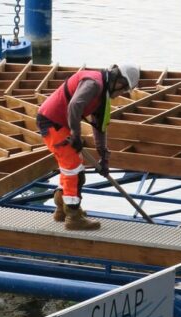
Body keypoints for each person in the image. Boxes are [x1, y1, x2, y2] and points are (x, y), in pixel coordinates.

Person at [36, 63, 140, 230]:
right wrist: (76, 135)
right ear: (119, 81)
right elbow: (74, 106)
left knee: (75, 165)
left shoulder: (103, 95)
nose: (121, 94)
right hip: (52, 123)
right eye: (123, 90)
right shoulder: (94, 84)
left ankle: (63, 210)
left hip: (61, 124)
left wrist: (103, 156)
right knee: (74, 170)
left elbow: (100, 127)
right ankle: (73, 217)